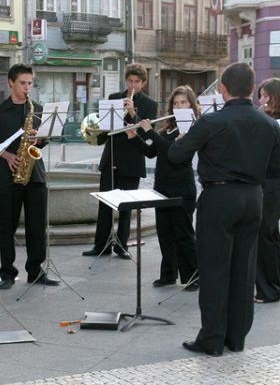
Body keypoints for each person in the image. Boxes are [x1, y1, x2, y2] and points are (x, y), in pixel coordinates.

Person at [169, 63, 280, 356]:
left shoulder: (211, 121)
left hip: (219, 197)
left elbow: (176, 155)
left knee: (215, 269)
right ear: (251, 88)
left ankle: (212, 339)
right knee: (244, 271)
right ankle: (236, 338)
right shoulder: (269, 124)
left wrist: (184, 138)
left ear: (224, 89)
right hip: (254, 198)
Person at [0, 63, 59, 290]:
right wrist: (6, 155)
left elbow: (46, 140)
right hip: (8, 177)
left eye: (30, 83)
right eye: (23, 83)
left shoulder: (38, 109)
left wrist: (40, 139)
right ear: (11, 83)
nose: (27, 88)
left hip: (34, 175)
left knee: (37, 227)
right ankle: (7, 273)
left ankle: (36, 271)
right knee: (7, 227)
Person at [82, 63, 158, 260]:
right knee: (105, 204)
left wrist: (133, 113)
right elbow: (105, 130)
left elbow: (148, 135)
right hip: (112, 156)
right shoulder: (114, 98)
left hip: (133, 160)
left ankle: (122, 246)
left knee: (126, 207)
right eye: (130, 81)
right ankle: (101, 246)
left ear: (143, 83)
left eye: (137, 82)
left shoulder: (150, 105)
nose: (132, 86)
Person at [137, 86, 199, 291]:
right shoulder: (167, 128)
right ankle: (168, 275)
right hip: (162, 186)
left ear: (191, 104)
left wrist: (149, 133)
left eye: (183, 102)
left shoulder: (191, 128)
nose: (179, 106)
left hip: (182, 187)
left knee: (183, 234)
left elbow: (173, 152)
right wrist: (135, 136)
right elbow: (151, 152)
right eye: (175, 103)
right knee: (164, 232)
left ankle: (192, 277)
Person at [254, 78, 280, 303]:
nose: (260, 100)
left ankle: (268, 289)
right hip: (269, 183)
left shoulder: (274, 123)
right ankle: (273, 284)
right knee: (270, 234)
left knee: (264, 235)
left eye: (264, 96)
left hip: (272, 184)